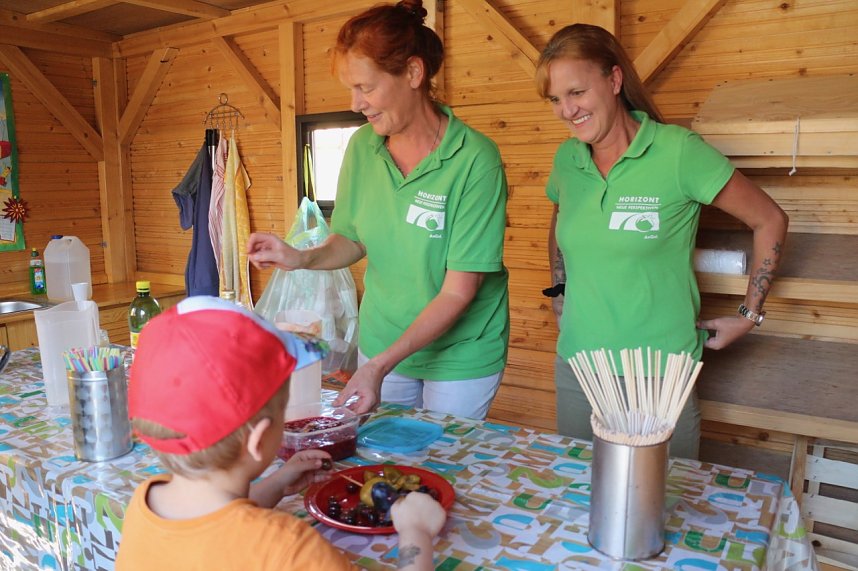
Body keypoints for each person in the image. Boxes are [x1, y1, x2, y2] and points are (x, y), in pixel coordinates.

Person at [535, 24, 789, 459]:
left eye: (576, 92)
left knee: (670, 492)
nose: (566, 110)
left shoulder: (678, 152)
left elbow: (770, 219)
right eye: (555, 99)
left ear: (614, 80)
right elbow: (561, 223)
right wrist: (559, 291)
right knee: (577, 488)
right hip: (578, 368)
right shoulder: (567, 159)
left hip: (659, 373)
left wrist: (749, 314)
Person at [248, 0, 509, 419]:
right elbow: (351, 239)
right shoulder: (362, 146)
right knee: (379, 452)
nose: (356, 103)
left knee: (442, 454)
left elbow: (459, 290)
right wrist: (299, 257)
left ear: (413, 73)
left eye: (365, 88)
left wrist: (376, 367)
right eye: (351, 89)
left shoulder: (474, 159)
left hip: (459, 354)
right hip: (383, 338)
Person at [115, 296, 446, 571]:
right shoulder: (290, 547)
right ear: (259, 440)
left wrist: (275, 485)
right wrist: (415, 534)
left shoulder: (144, 504)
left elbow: (212, 527)